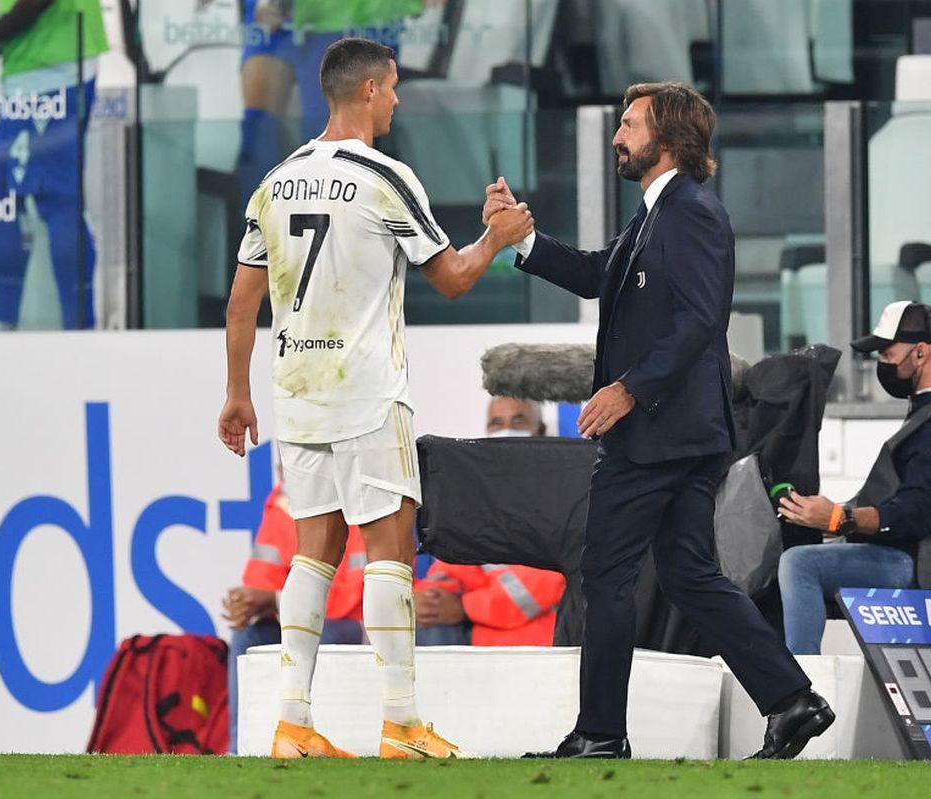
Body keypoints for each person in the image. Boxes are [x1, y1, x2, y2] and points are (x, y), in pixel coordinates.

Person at [484, 82, 833, 760]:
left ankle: (601, 732)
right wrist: (524, 239)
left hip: (660, 435)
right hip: (678, 435)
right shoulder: (656, 215)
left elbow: (699, 321)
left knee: (605, 573)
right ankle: (793, 700)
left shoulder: (690, 213)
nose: (618, 135)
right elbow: (595, 274)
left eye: (630, 124)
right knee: (690, 575)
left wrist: (629, 391)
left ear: (667, 139)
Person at [216, 37, 532, 760]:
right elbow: (451, 276)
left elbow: (241, 305)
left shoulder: (276, 180)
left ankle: (292, 723)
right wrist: (498, 236)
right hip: (364, 390)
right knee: (389, 552)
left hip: (295, 391)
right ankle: (402, 722)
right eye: (391, 89)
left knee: (312, 553)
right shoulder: (384, 177)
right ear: (366, 91)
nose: (395, 100)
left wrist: (237, 393)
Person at [777, 301, 931, 654]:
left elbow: (918, 515)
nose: (880, 365)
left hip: (921, 566)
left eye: (887, 354)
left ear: (919, 354)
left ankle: (801, 685)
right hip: (903, 554)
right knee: (794, 549)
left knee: (800, 564)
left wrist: (840, 519)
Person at [0, 0, 107, 329]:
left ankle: (79, 332)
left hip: (55, 62)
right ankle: (6, 323)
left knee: (55, 197)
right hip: (35, 59)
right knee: (2, 191)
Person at [237, 0, 428, 212]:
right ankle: (256, 227)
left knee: (327, 136)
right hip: (281, 19)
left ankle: (328, 222)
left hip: (343, 20)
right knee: (258, 131)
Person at [222, 480, 366, 755]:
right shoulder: (282, 503)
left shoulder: (359, 498)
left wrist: (272, 599)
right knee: (248, 635)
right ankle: (241, 746)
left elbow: (348, 599)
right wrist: (249, 605)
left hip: (353, 625)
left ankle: (311, 735)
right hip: (298, 617)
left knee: (323, 633)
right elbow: (260, 581)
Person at [415, 397, 565, 647]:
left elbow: (539, 586)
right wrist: (428, 599)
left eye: (519, 420)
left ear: (540, 430)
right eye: (497, 422)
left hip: (533, 643)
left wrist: (465, 606)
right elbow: (451, 566)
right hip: (477, 636)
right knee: (430, 626)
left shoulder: (558, 492)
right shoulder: (476, 494)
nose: (507, 429)